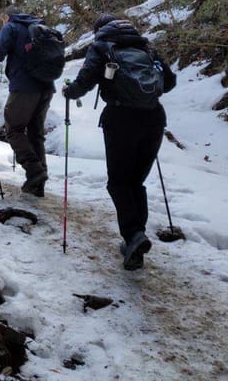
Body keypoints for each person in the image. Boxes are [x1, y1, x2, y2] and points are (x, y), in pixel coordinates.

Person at [62, 13, 176, 270]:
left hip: (121, 118)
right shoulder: (145, 47)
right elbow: (169, 82)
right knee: (135, 182)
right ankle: (136, 238)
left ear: (99, 30)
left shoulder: (101, 47)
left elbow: (84, 83)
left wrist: (69, 92)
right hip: (154, 119)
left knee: (119, 182)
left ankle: (134, 235)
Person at [0, 6, 55, 197]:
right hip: (47, 87)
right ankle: (37, 184)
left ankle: (35, 171)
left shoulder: (12, 27)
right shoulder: (41, 27)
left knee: (14, 129)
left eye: (3, 20)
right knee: (36, 133)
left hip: (24, 88)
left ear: (6, 17)